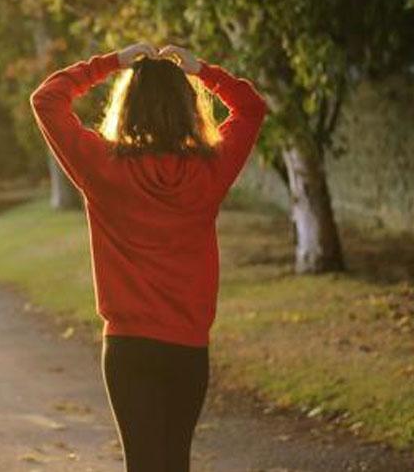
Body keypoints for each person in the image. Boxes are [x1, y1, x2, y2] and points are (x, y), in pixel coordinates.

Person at [29, 43, 267, 472]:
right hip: (187, 348)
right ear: (188, 108)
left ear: (128, 106)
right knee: (175, 462)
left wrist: (110, 63)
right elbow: (250, 109)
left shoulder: (103, 168)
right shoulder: (209, 171)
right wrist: (202, 69)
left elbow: (47, 98)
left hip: (128, 347)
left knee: (142, 464)